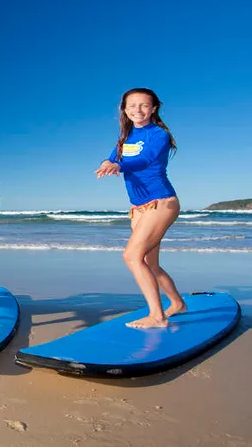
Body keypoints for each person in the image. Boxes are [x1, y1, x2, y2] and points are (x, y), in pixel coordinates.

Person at [95, 87, 185, 329]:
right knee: (150, 263)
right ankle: (177, 303)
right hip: (138, 208)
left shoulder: (159, 135)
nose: (138, 110)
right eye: (132, 105)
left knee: (131, 256)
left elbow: (144, 160)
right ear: (124, 109)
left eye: (144, 105)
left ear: (153, 108)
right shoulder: (124, 138)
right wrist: (108, 162)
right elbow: (113, 158)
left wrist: (118, 166)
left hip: (161, 202)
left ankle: (157, 316)